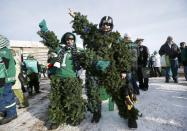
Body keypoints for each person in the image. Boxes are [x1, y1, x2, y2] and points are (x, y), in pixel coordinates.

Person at [69, 9, 139, 128]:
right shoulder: (92, 34)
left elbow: (121, 54)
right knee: (93, 92)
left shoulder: (115, 38)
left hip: (110, 70)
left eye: (109, 24)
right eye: (104, 24)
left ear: (111, 26)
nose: (106, 26)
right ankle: (96, 113)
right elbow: (85, 27)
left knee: (120, 94)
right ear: (101, 24)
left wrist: (123, 70)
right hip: (94, 69)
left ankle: (131, 115)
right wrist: (76, 17)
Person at [38, 20, 85, 127]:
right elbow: (51, 40)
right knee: (57, 100)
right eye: (68, 39)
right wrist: (44, 29)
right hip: (58, 78)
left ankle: (74, 117)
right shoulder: (60, 49)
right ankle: (56, 119)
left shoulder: (78, 51)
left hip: (72, 79)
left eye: (72, 39)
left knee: (73, 100)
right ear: (65, 40)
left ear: (74, 40)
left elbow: (89, 58)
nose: (69, 41)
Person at [0, 35, 17, 125]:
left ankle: (12, 114)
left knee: (7, 96)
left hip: (5, 78)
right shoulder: (6, 51)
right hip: (4, 78)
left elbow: (4, 66)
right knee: (3, 95)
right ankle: (5, 110)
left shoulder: (4, 52)